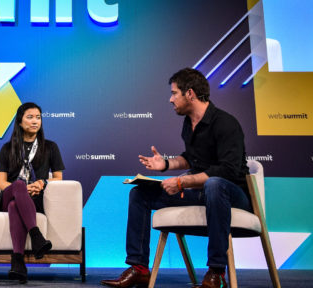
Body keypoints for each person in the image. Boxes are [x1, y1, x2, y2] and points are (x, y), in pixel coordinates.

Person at [101, 68, 252, 288]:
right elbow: (191, 159)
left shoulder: (226, 123)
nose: (170, 99)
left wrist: (182, 182)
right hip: (203, 193)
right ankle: (139, 268)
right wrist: (166, 165)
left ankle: (216, 273)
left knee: (215, 184)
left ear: (189, 93)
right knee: (139, 193)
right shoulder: (188, 124)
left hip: (233, 196)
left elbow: (227, 171)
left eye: (174, 93)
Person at [0, 102, 65, 283]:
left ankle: (18, 263)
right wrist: (22, 188)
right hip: (7, 196)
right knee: (17, 186)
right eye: (30, 117)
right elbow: (2, 183)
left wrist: (43, 181)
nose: (35, 121)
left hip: (34, 200)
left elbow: (58, 177)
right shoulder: (7, 148)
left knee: (14, 205)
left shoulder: (50, 147)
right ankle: (36, 236)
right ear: (19, 121)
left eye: (38, 117)